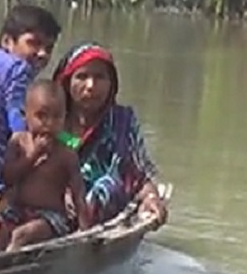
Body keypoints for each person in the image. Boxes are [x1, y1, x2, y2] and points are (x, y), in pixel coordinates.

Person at [52, 43, 167, 225]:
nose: (90, 86)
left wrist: (151, 199)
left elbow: (136, 175)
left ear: (111, 83)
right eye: (82, 77)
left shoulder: (122, 122)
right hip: (52, 209)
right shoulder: (49, 120)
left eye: (100, 77)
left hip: (101, 212)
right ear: (67, 82)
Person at [0, 81, 90, 251]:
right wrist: (33, 156)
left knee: (23, 234)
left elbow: (78, 192)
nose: (49, 123)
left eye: (56, 117)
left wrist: (85, 229)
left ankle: (9, 266)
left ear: (65, 118)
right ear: (26, 116)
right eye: (41, 116)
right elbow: (7, 177)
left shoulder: (67, 154)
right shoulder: (18, 142)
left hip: (50, 217)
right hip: (17, 210)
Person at [0, 4, 62, 204]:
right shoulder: (19, 68)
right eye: (34, 43)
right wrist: (68, 140)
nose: (42, 54)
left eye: (49, 48)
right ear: (7, 41)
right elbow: (17, 116)